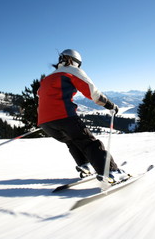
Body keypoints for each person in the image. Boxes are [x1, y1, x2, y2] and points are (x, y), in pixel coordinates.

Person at [37, 49, 128, 183]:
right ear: (76, 62)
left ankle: (85, 165)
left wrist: (47, 119)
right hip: (64, 117)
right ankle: (111, 172)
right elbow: (92, 92)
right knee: (90, 143)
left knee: (72, 141)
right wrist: (110, 105)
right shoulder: (72, 70)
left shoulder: (48, 78)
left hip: (45, 122)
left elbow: (40, 95)